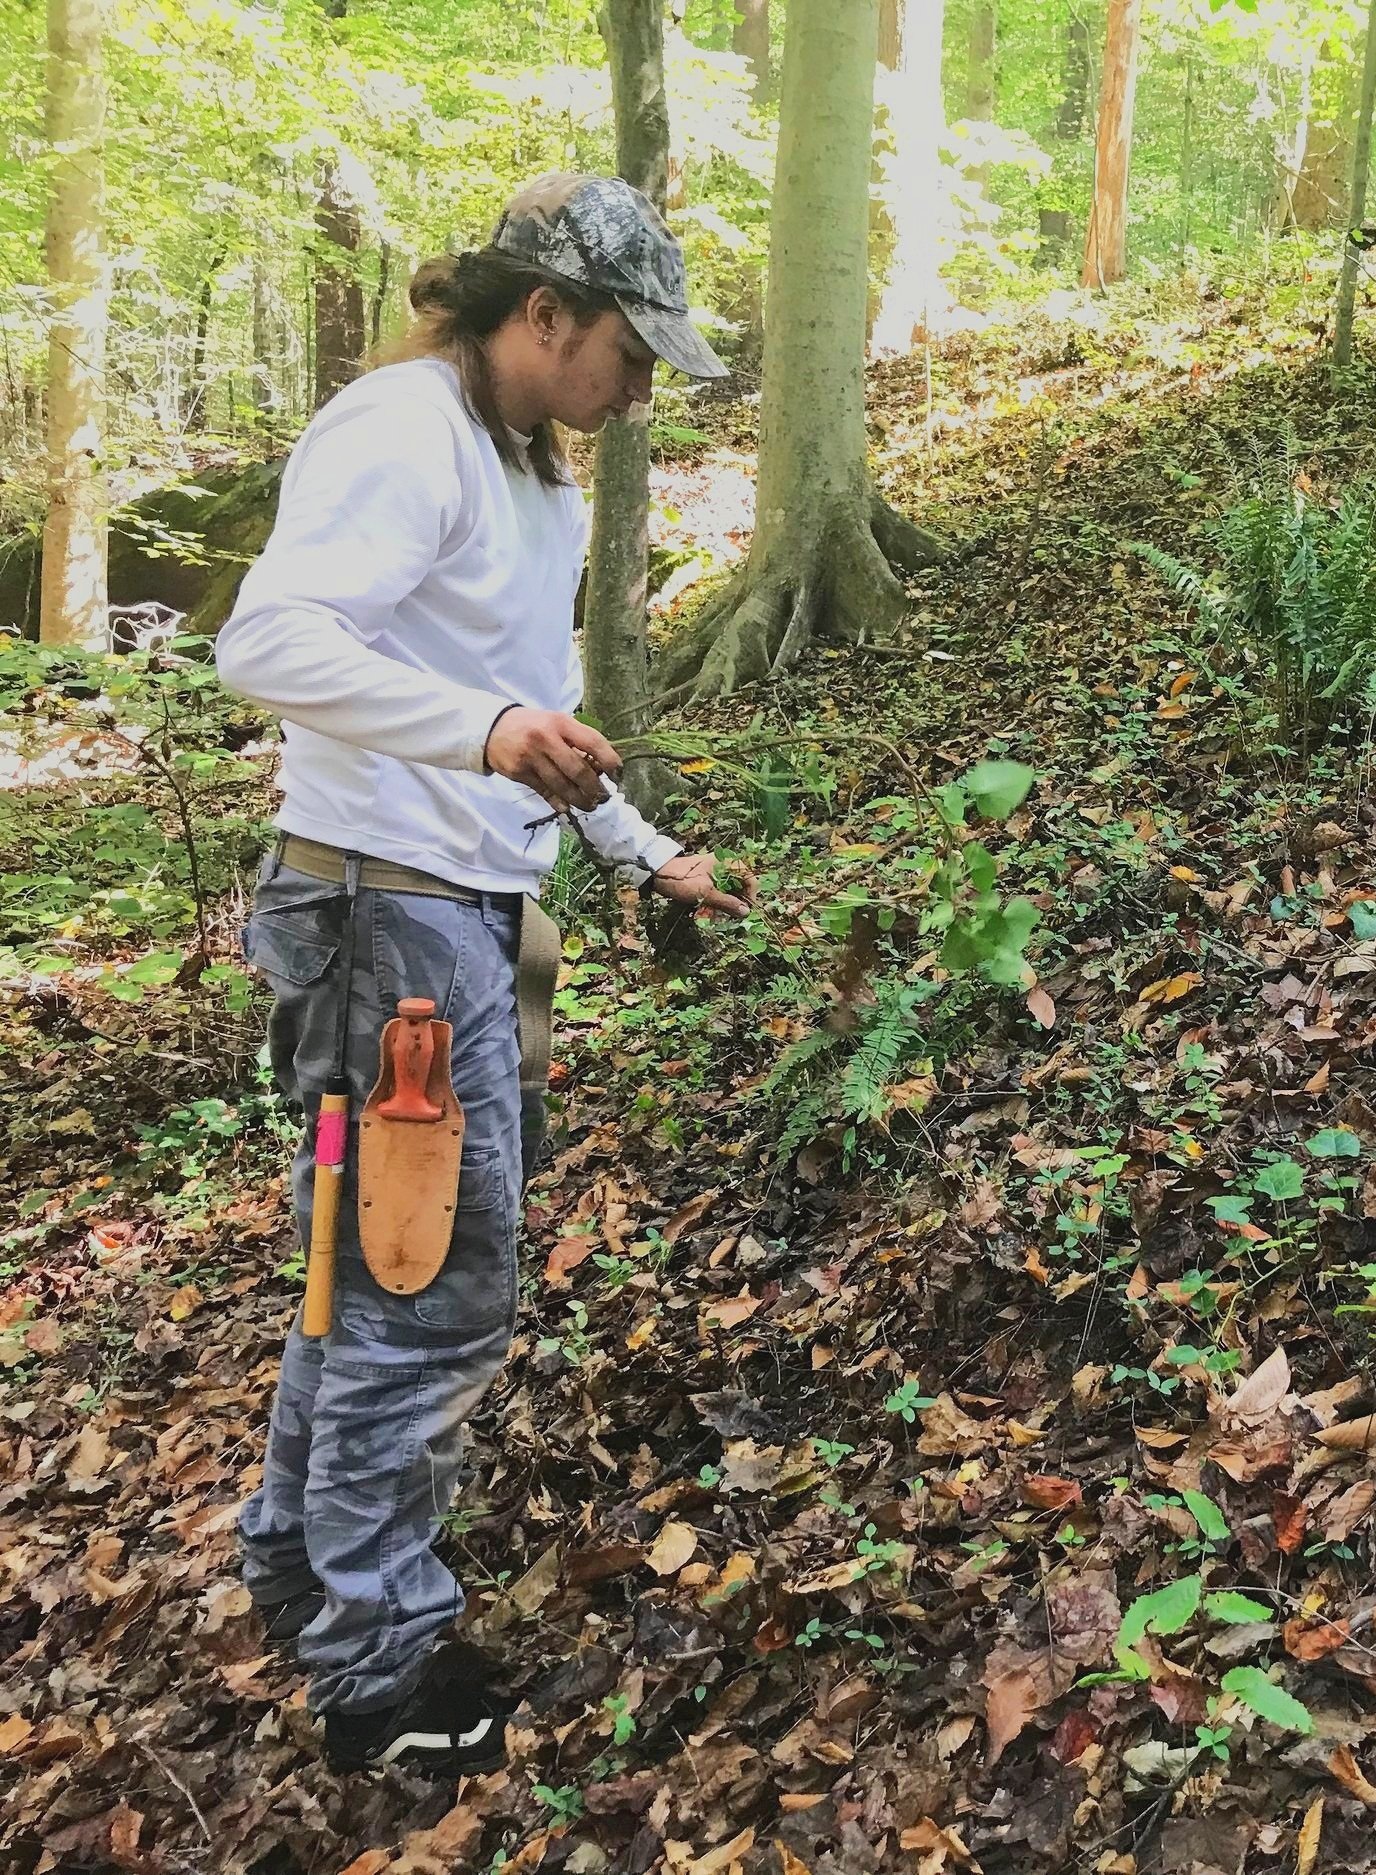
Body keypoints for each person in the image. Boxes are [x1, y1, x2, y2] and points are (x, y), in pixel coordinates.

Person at [216, 173, 738, 1777]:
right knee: (426, 1290)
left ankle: (300, 1567)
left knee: (364, 1277)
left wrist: (639, 851)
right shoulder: (405, 430)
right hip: (386, 923)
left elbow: (526, 707)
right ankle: (380, 1674)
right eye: (628, 352)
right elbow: (268, 643)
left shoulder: (532, 470)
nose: (640, 386)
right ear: (541, 316)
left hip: (452, 911)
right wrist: (486, 736)